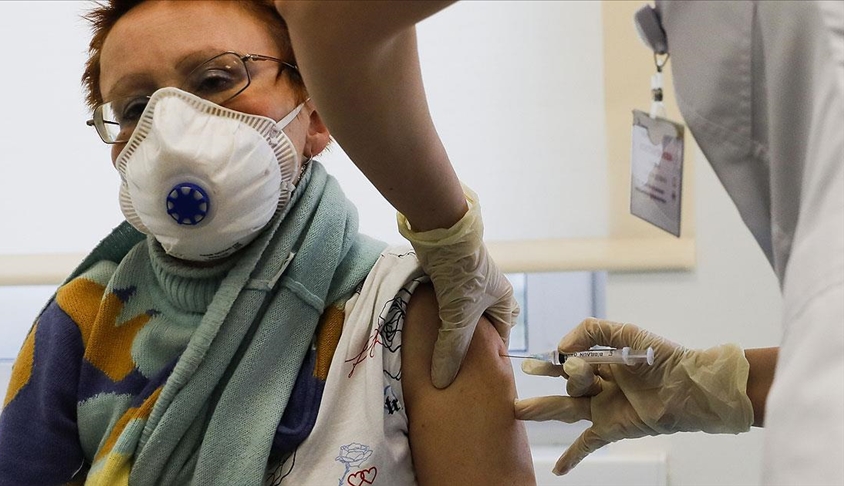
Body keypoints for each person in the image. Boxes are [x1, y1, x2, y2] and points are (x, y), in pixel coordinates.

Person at [278, 1, 843, 485]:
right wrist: (708, 384)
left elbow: (329, 19)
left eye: (233, 74)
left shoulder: (407, 308)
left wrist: (451, 234)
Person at [0, 1, 535, 485]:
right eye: (135, 110)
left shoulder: (417, 311)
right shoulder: (82, 318)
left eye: (215, 80)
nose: (171, 131)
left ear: (317, 115)